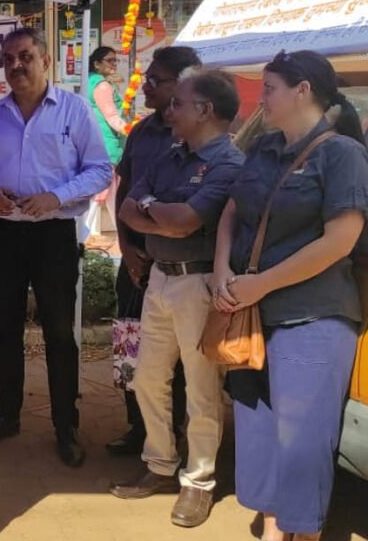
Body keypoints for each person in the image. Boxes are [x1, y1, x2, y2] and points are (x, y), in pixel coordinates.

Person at [213, 50, 368, 541]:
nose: (260, 98)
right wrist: (221, 269)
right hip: (252, 316)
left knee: (301, 445)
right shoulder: (263, 148)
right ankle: (279, 524)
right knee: (259, 436)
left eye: (269, 88)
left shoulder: (342, 154)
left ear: (303, 90)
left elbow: (339, 241)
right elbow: (233, 211)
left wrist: (260, 283)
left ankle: (301, 531)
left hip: (311, 317)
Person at [0, 27, 112, 467]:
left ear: (46, 60)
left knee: (60, 333)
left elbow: (100, 170)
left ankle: (66, 425)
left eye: (25, 57)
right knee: (5, 329)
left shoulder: (75, 110)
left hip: (53, 234)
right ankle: (7, 416)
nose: (15, 66)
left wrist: (57, 196)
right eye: (7, 59)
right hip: (4, 235)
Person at [110, 70, 246, 527]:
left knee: (202, 387)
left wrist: (159, 213)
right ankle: (161, 465)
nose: (170, 111)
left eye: (179, 104)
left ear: (205, 111)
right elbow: (129, 204)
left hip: (199, 284)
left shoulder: (228, 163)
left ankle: (199, 481)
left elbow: (187, 221)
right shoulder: (173, 154)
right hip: (160, 280)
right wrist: (159, 216)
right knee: (148, 378)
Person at [108, 46, 200, 456]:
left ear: (183, 85)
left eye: (155, 80)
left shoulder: (199, 137)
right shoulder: (142, 133)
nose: (145, 84)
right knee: (132, 348)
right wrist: (126, 248)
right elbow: (124, 193)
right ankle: (138, 428)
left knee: (176, 360)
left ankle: (173, 436)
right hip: (135, 261)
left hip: (178, 267)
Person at [84, 46, 128, 237]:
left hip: (95, 142)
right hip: (107, 145)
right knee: (101, 192)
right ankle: (85, 236)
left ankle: (120, 237)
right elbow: (112, 117)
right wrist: (133, 130)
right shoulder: (102, 86)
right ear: (97, 64)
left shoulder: (88, 82)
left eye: (115, 60)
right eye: (110, 60)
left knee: (112, 194)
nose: (114, 64)